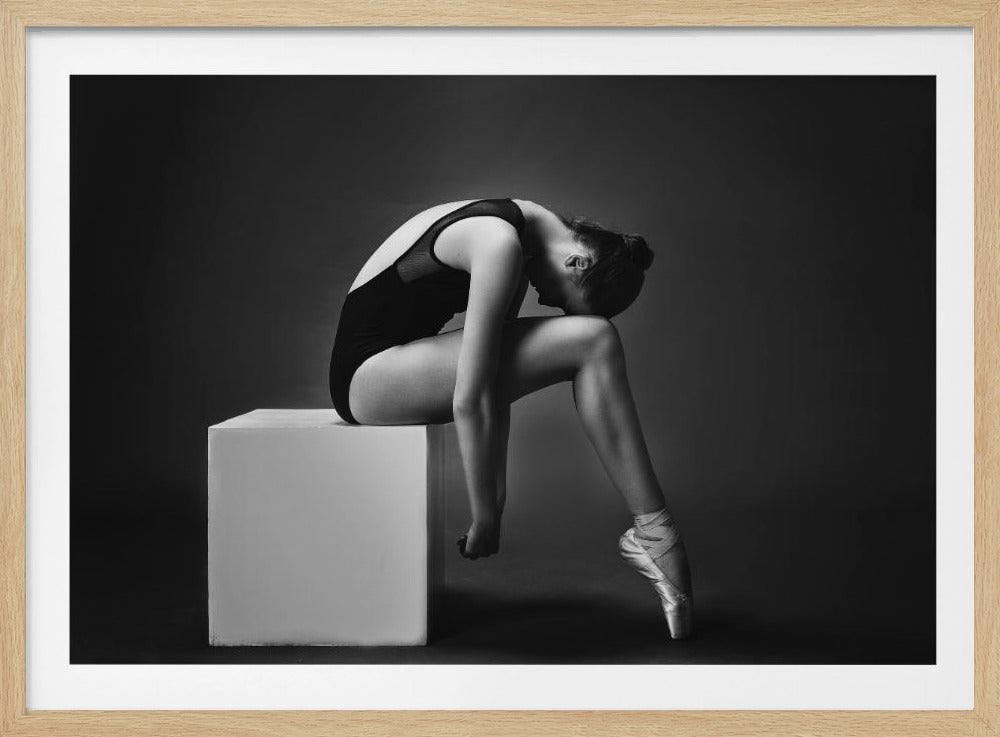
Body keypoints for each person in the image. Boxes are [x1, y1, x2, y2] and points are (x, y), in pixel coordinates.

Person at [328, 198, 694, 638]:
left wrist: (496, 505)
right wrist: (483, 515)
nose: (548, 301)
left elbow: (489, 382)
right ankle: (657, 534)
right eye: (563, 300)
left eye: (557, 305)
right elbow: (471, 397)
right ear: (578, 262)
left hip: (391, 366)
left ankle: (656, 534)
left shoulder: (515, 239)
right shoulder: (498, 242)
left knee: (592, 339)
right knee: (595, 339)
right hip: (368, 378)